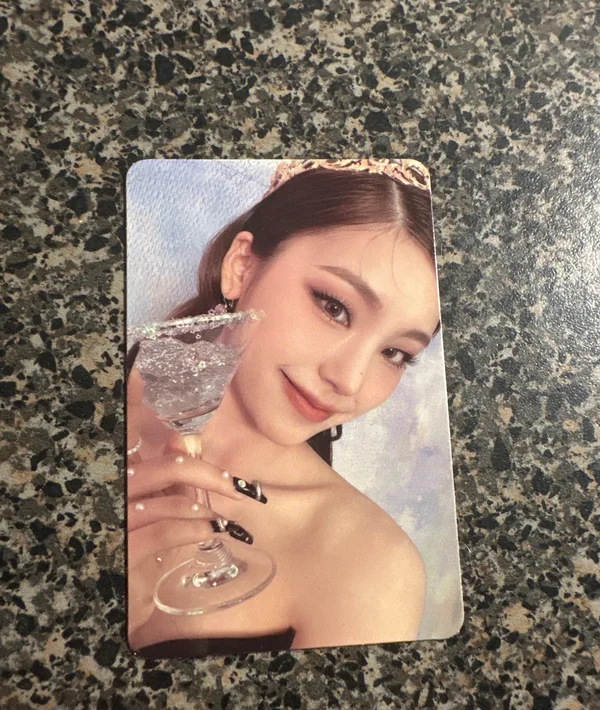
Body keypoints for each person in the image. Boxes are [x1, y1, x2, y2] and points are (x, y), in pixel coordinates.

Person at [126, 158, 441, 657]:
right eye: (334, 307)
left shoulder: (370, 564)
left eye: (395, 353)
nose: (349, 381)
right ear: (242, 267)